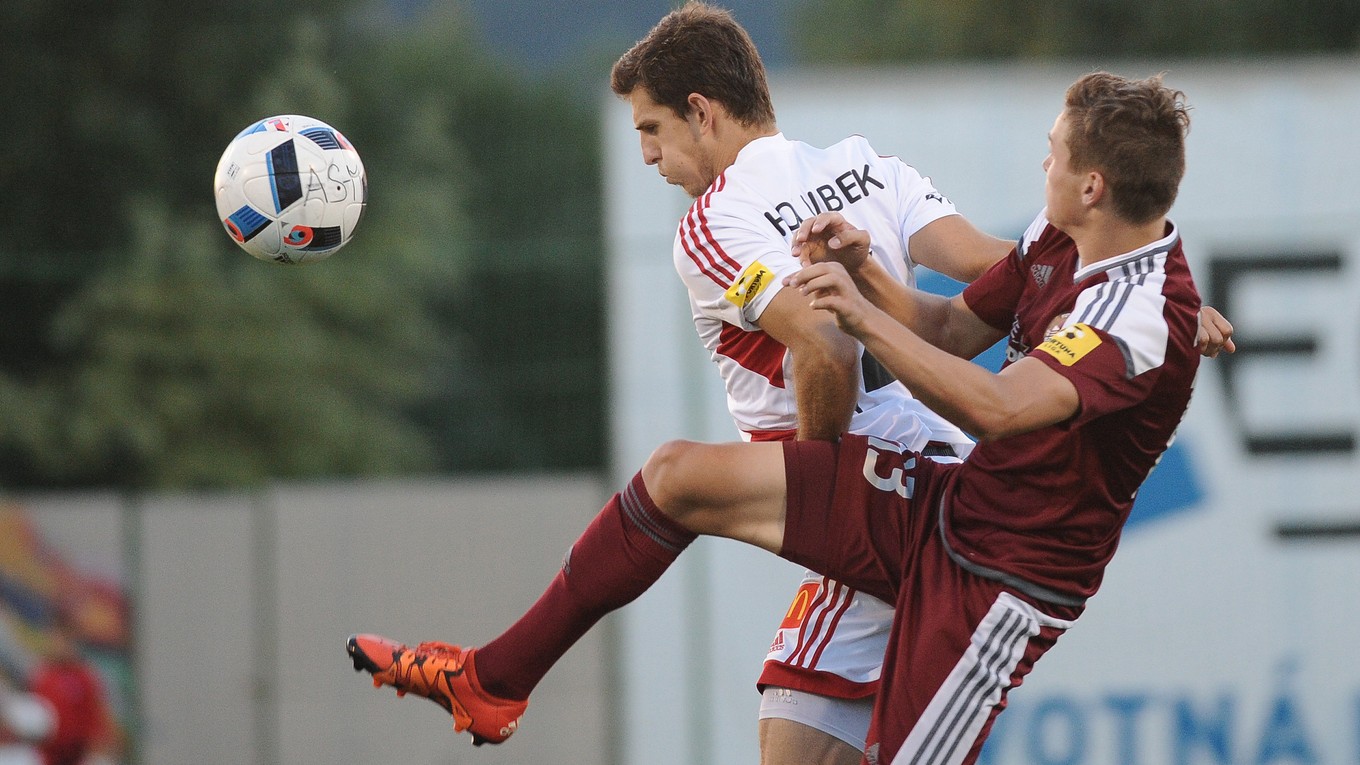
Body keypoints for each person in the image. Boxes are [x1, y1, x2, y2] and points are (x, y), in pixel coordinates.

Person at [348, 68, 1205, 764]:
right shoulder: (1064, 243)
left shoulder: (1134, 318)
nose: (1040, 165)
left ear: (1091, 185)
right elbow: (954, 322)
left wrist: (855, 329)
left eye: (1051, 155)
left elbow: (994, 407)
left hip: (1000, 582)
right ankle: (493, 679)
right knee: (679, 476)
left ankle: (493, 679)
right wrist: (866, 273)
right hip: (945, 505)